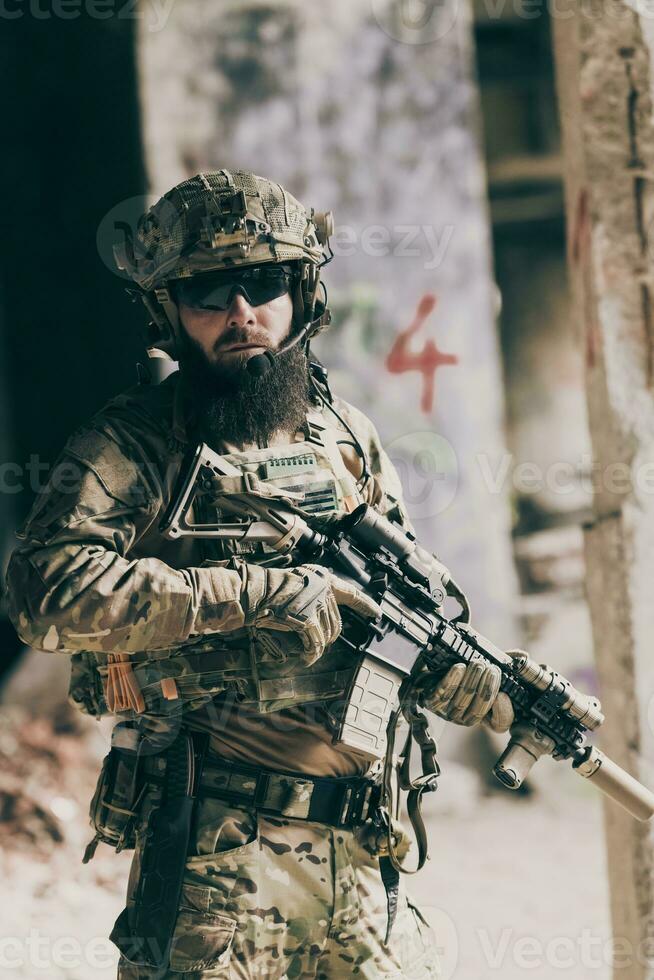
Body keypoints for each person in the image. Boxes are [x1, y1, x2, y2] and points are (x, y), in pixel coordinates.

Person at [6, 169, 513, 979]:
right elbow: (44, 593)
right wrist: (259, 595)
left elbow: (394, 612)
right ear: (168, 312)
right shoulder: (134, 444)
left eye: (265, 282)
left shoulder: (346, 437)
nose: (242, 311)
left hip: (366, 860)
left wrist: (450, 677)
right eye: (211, 289)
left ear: (303, 292)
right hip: (212, 872)